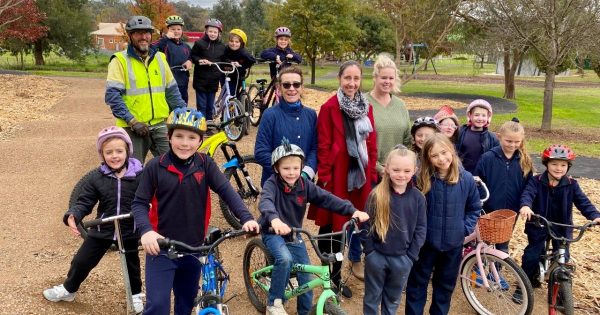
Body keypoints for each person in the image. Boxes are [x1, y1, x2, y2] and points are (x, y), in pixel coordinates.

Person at [131, 108, 260, 315]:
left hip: (194, 248)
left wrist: (246, 217)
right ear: (169, 137)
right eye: (179, 136)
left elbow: (227, 191)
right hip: (161, 248)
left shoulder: (205, 164)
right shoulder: (155, 167)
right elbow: (139, 203)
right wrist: (146, 231)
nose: (185, 143)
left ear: (200, 141)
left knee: (185, 302)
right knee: (157, 306)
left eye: (192, 137)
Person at [260, 139, 369, 315]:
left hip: (295, 233)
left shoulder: (304, 185)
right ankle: (274, 302)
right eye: (286, 168)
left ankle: (304, 312)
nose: (291, 173)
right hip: (273, 232)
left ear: (301, 167)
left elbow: (327, 198)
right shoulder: (271, 184)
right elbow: (265, 202)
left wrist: (352, 210)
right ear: (276, 169)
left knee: (306, 277)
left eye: (296, 168)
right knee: (285, 259)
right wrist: (274, 220)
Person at [43, 126, 144, 313]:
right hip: (104, 227)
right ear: (102, 154)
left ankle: (136, 295)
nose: (115, 156)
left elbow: (151, 197)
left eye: (119, 151)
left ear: (128, 151)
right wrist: (73, 215)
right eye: (109, 152)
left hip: (130, 228)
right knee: (81, 260)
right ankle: (69, 289)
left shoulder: (141, 175)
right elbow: (84, 201)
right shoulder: (97, 178)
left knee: (132, 264)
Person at [307, 61, 377, 297]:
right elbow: (323, 144)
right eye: (347, 78)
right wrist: (324, 178)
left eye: (356, 79)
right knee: (333, 230)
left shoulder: (366, 107)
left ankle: (336, 275)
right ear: (340, 79)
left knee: (350, 227)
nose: (352, 83)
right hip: (336, 178)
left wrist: (373, 174)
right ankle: (332, 279)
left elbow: (371, 142)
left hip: (359, 176)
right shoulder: (329, 107)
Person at [405, 133, 482, 315]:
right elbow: (411, 209)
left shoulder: (466, 179)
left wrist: (464, 229)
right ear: (427, 159)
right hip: (425, 244)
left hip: (452, 245)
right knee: (417, 285)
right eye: (434, 155)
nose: (441, 159)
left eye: (444, 152)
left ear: (452, 151)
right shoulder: (421, 179)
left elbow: (474, 207)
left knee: (444, 287)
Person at [514, 144, 600, 301]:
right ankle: (523, 286)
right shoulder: (536, 181)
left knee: (563, 257)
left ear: (568, 166)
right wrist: (525, 206)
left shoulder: (572, 185)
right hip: (539, 225)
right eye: (554, 164)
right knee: (532, 256)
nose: (558, 168)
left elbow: (583, 202)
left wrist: (595, 215)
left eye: (563, 165)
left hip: (561, 227)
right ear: (547, 164)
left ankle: (560, 291)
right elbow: (528, 194)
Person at [106, 15, 187, 163]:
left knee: (175, 164)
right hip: (133, 126)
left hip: (160, 124)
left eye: (147, 33)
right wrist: (132, 121)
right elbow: (112, 96)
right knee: (132, 171)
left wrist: (185, 113)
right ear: (130, 36)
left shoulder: (161, 58)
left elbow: (172, 92)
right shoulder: (119, 60)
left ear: (151, 35)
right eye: (138, 33)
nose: (143, 37)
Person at [361, 147, 427, 315]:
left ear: (415, 170)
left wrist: (410, 256)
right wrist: (369, 251)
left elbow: (421, 229)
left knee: (393, 299)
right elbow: (366, 225)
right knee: (372, 297)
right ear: (387, 168)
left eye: (407, 170)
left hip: (402, 259)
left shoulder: (418, 198)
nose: (401, 175)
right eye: (396, 170)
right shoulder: (376, 195)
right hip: (377, 257)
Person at [474, 119, 534, 254]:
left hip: (511, 211)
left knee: (503, 243)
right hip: (489, 209)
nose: (513, 145)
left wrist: (525, 203)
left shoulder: (524, 161)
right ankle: (481, 269)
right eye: (508, 141)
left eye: (517, 142)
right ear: (499, 136)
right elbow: (477, 183)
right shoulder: (488, 158)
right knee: (484, 242)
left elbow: (529, 186)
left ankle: (498, 269)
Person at [254, 66, 317, 186]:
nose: (292, 89)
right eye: (286, 85)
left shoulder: (311, 115)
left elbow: (315, 149)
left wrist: (305, 173)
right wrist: (285, 173)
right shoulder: (270, 115)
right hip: (275, 183)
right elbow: (261, 151)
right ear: (279, 88)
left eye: (296, 84)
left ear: (302, 87)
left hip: (303, 183)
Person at [365, 53, 412, 178]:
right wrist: (380, 169)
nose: (387, 81)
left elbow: (407, 139)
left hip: (398, 174)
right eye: (383, 78)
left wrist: (399, 168)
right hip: (370, 173)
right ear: (375, 78)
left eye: (391, 78)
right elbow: (359, 142)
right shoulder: (363, 103)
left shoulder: (400, 105)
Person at [151, 15, 193, 104]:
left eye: (178, 29)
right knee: (169, 109)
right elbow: (151, 48)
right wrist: (166, 38)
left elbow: (190, 57)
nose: (176, 31)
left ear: (182, 31)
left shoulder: (186, 46)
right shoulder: (164, 43)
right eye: (173, 29)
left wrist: (190, 61)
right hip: (168, 83)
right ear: (168, 30)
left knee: (182, 108)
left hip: (183, 82)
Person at [190, 18, 226, 120]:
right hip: (201, 79)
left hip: (214, 80)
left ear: (219, 33)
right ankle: (202, 124)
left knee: (210, 104)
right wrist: (199, 60)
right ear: (206, 31)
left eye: (215, 32)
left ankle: (209, 123)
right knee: (202, 105)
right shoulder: (199, 43)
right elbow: (193, 56)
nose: (212, 34)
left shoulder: (222, 46)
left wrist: (229, 63)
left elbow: (224, 59)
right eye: (210, 31)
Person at [456, 99, 499, 173]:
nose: (480, 118)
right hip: (463, 174)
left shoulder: (492, 138)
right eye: (476, 115)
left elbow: (496, 159)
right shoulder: (461, 133)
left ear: (488, 117)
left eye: (483, 115)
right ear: (470, 115)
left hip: (482, 176)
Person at [222, 28, 256, 98]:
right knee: (226, 93)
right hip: (225, 74)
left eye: (237, 42)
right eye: (231, 41)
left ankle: (236, 105)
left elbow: (252, 60)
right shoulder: (226, 49)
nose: (234, 44)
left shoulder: (243, 52)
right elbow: (223, 58)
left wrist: (242, 66)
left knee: (234, 94)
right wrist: (231, 62)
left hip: (238, 76)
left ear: (241, 44)